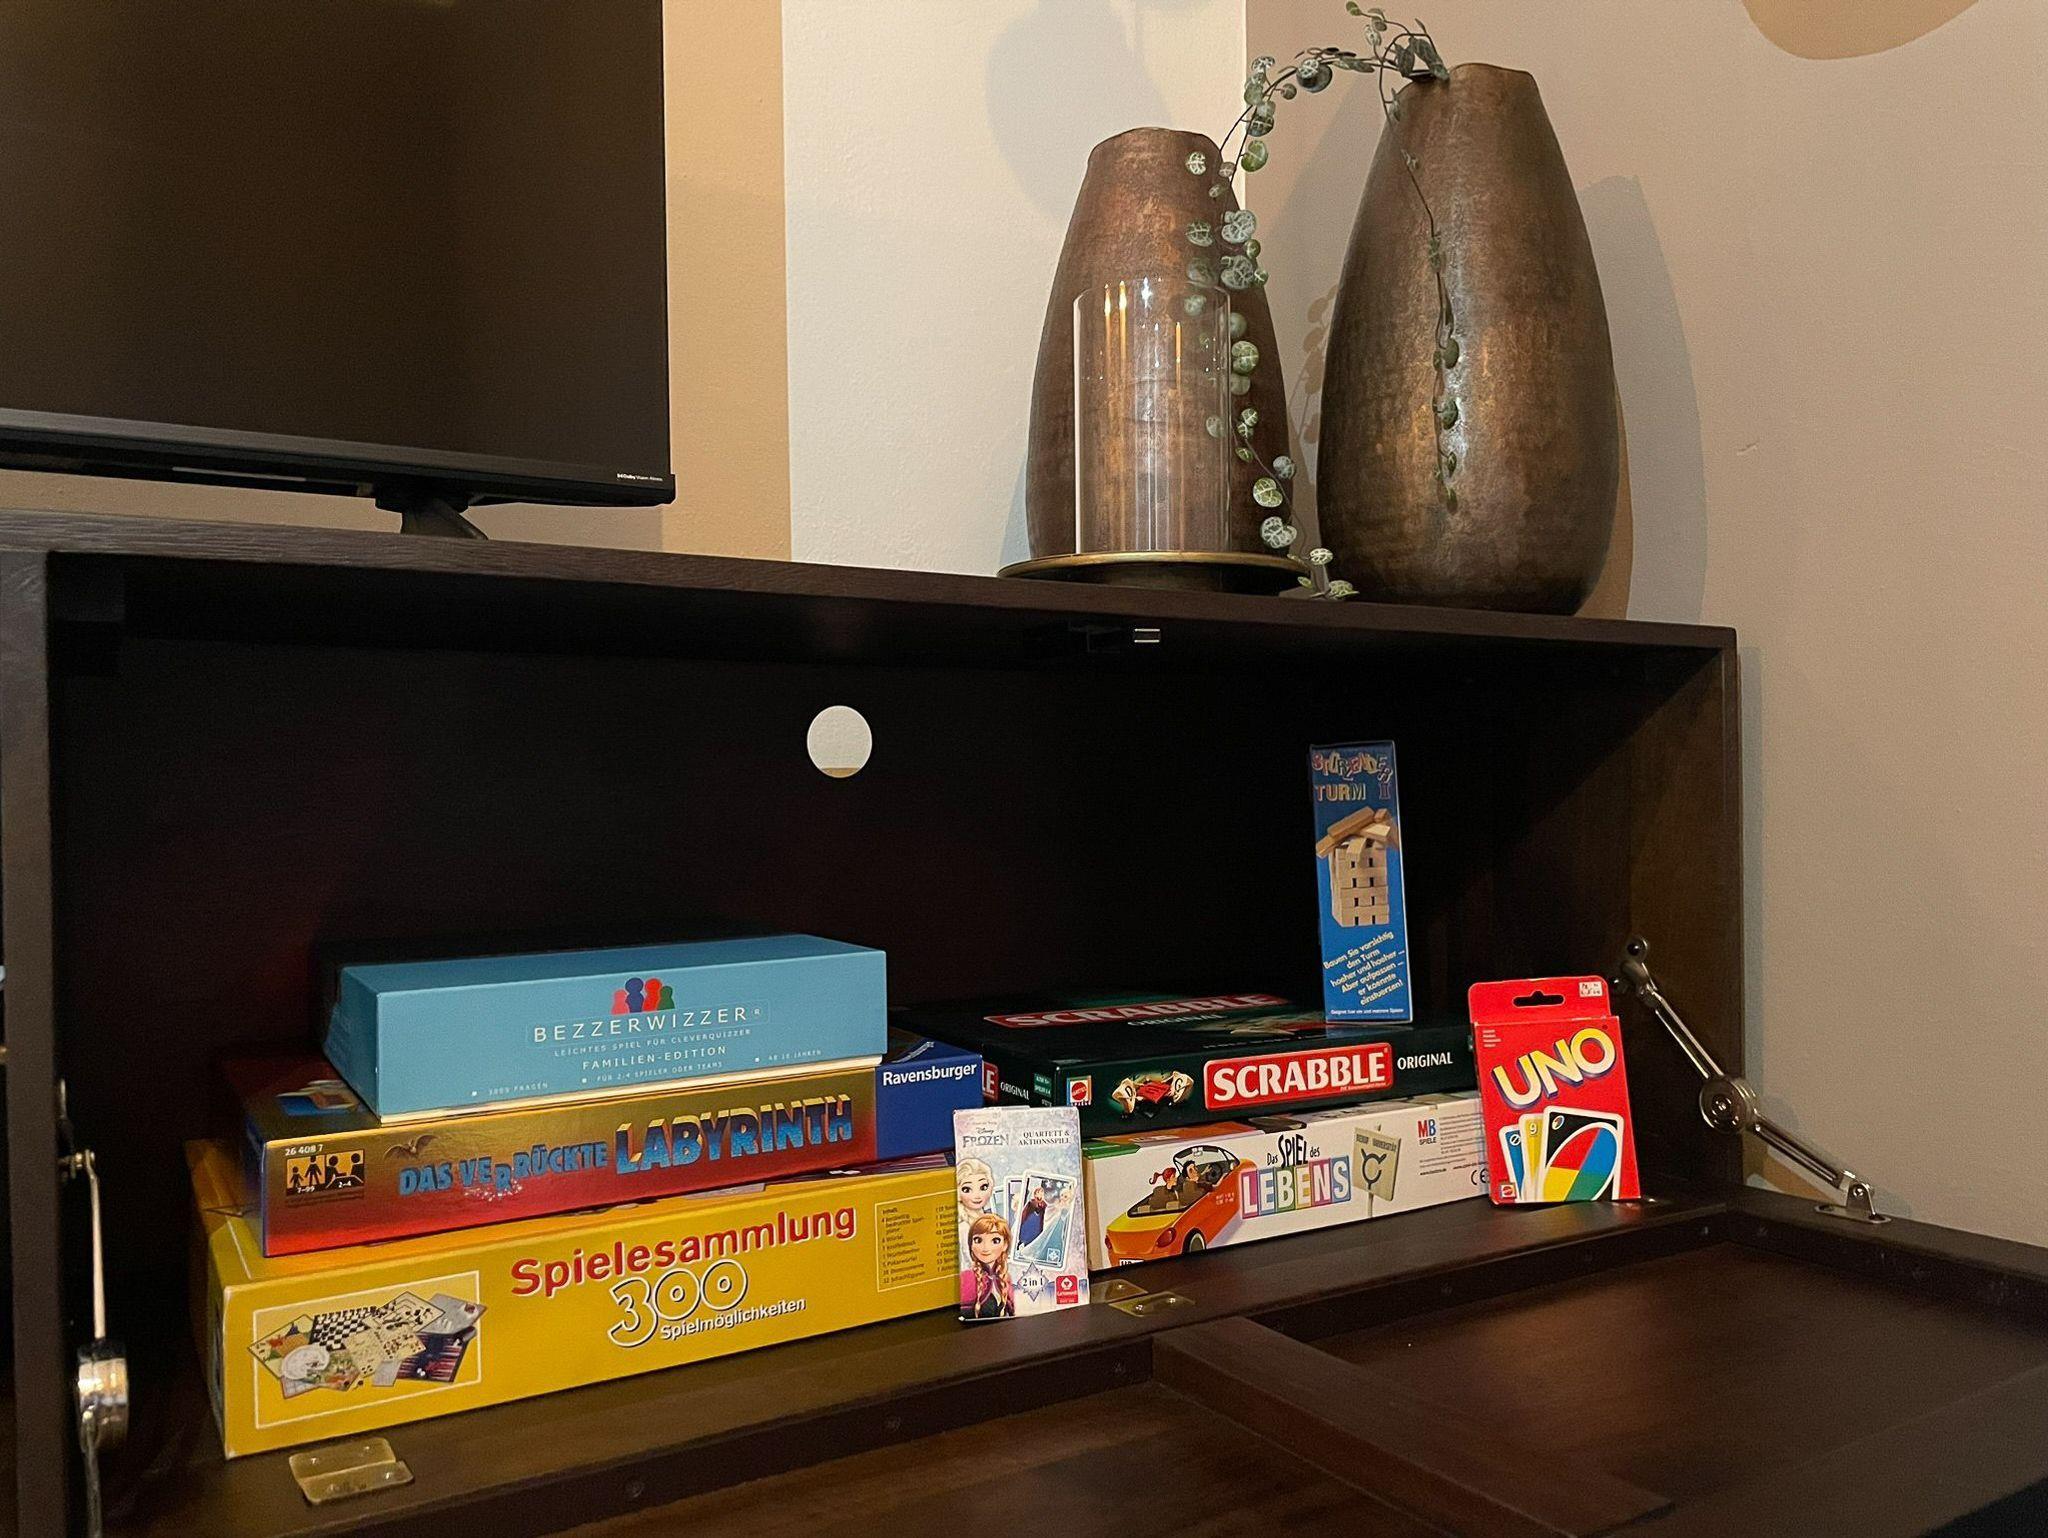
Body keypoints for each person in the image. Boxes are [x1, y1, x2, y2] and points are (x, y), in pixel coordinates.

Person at [962, 1213, 1014, 1320]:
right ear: (971, 1245)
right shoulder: (966, 1278)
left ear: (1005, 1245)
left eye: (995, 1241)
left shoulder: (1006, 1279)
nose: (985, 1248)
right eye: (978, 1240)